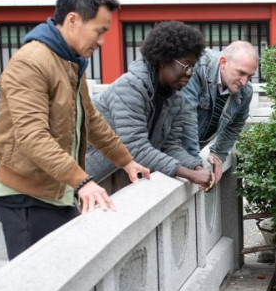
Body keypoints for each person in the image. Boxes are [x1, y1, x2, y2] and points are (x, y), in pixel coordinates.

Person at [0, 0, 150, 260]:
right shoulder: (31, 62)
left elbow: (91, 119)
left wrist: (127, 162)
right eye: (99, 31)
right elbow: (32, 136)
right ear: (73, 20)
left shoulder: (70, 61)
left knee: (71, 273)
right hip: (26, 197)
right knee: (37, 287)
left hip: (57, 192)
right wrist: (82, 181)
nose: (101, 41)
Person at [85, 21, 214, 190]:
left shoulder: (175, 98)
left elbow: (171, 145)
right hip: (99, 176)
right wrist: (190, 174)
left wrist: (196, 167)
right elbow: (135, 147)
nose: (190, 74)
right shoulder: (129, 88)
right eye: (186, 66)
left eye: (193, 68)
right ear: (163, 60)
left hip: (132, 173)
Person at [181, 41, 258, 185]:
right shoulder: (198, 67)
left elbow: (235, 125)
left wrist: (219, 153)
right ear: (223, 62)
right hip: (159, 144)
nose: (244, 81)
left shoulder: (245, 92)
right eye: (241, 73)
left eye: (249, 76)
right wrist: (194, 164)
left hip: (186, 152)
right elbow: (187, 116)